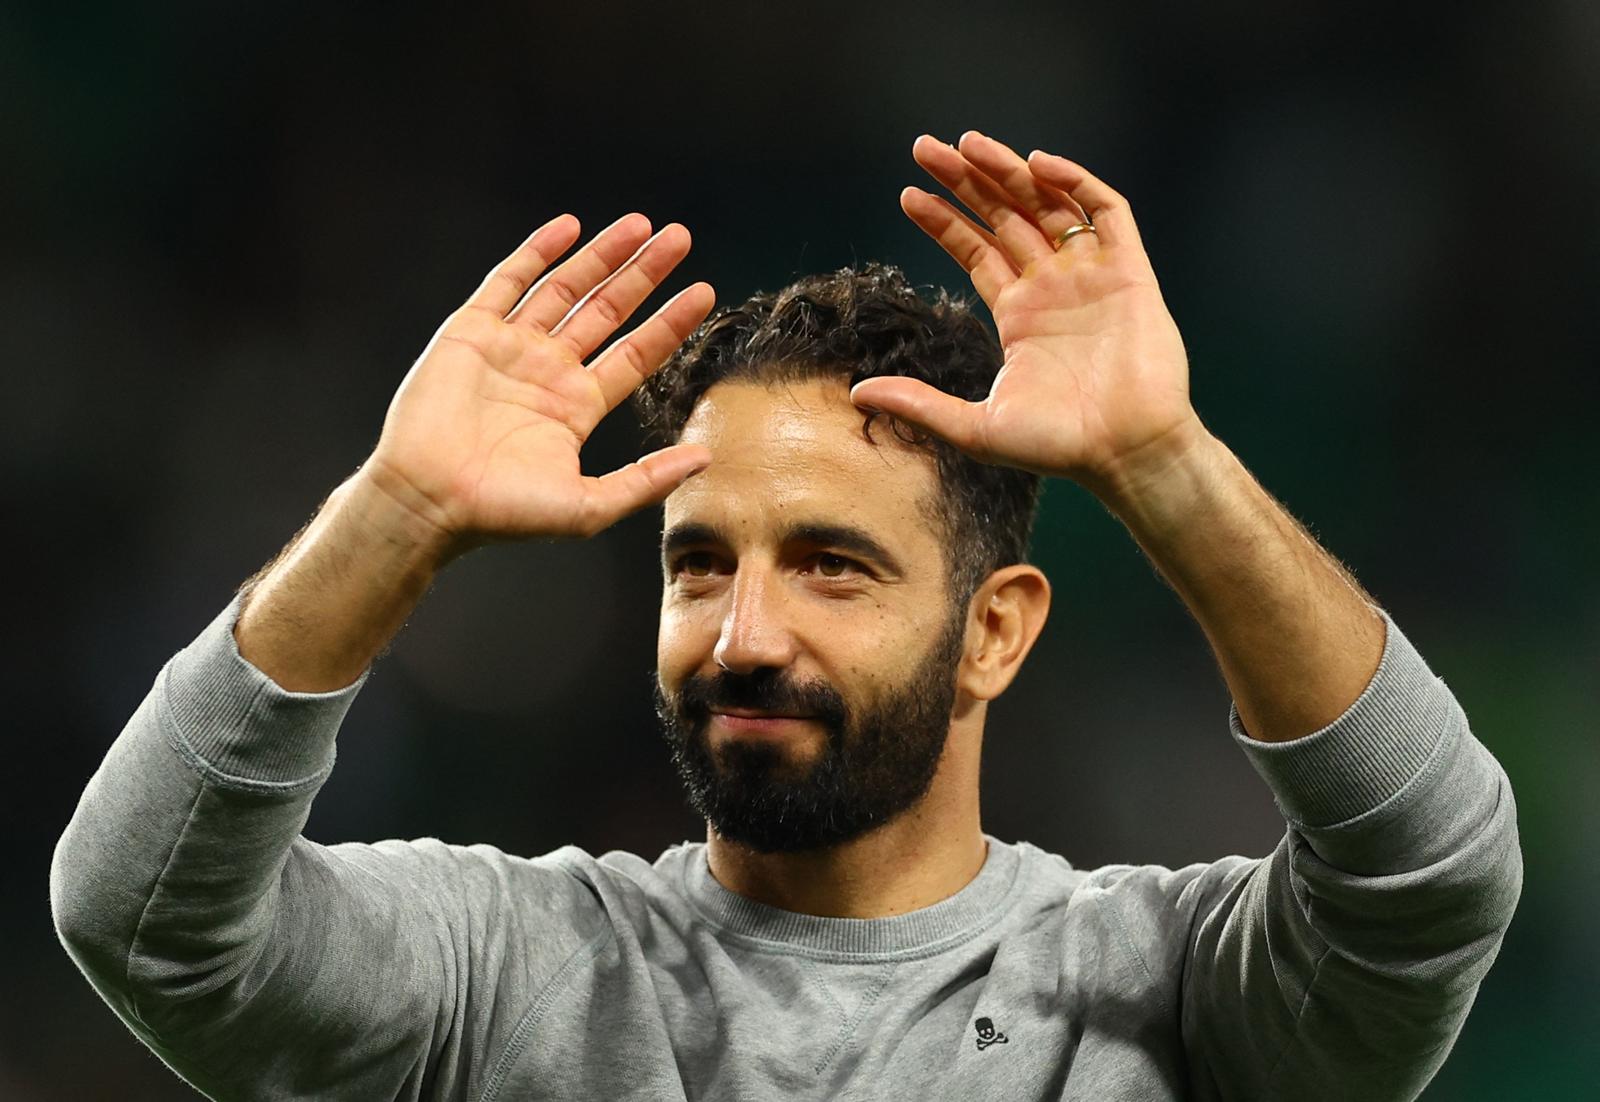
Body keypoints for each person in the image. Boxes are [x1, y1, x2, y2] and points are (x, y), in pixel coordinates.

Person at [51, 131, 1521, 1100]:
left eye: (834, 564)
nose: (745, 631)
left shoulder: (1169, 994)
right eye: (699, 563)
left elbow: (1434, 874)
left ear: (997, 629)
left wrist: (1163, 463)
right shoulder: (507, 971)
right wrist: (395, 512)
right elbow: (146, 916)